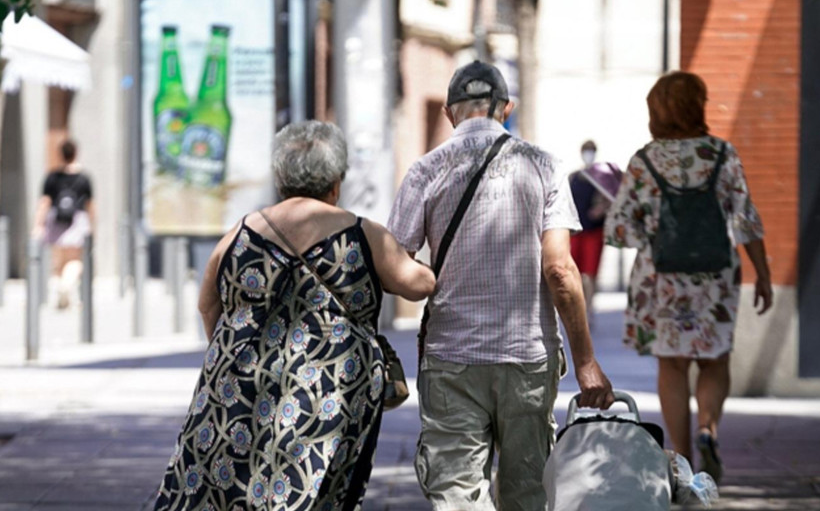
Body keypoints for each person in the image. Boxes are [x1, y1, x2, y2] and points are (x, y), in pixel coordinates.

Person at [153, 121, 435, 510]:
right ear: (336, 182)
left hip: (238, 384)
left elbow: (207, 303)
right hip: (328, 394)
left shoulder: (242, 231)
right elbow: (417, 284)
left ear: (280, 177)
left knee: (225, 486)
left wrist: (232, 355)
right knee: (310, 491)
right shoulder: (361, 233)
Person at [387, 60, 614, 510]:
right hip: (526, 357)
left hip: (451, 356)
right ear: (505, 108)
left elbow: (398, 268)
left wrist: (425, 283)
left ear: (451, 113)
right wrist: (586, 361)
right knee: (526, 493)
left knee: (456, 496)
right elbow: (560, 272)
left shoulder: (424, 171)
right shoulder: (544, 166)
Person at [605, 71, 773, 484]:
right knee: (714, 360)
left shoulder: (645, 162)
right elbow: (746, 219)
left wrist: (650, 230)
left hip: (662, 280)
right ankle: (708, 429)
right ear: (697, 106)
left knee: (673, 366)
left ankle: (681, 460)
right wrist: (764, 274)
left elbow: (617, 230)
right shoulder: (721, 155)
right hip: (715, 277)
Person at [32, 139, 95, 309]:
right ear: (76, 153)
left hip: (56, 220)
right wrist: (92, 226)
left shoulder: (52, 177)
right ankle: (66, 287)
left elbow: (44, 202)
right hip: (77, 219)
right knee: (75, 259)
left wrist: (38, 224)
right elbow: (90, 205)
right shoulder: (83, 179)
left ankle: (62, 293)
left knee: (59, 260)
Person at [568, 140, 622, 323]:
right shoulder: (574, 176)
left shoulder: (602, 177)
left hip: (594, 231)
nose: (588, 154)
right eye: (586, 151)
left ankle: (588, 309)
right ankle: (578, 306)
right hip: (576, 231)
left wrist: (600, 210)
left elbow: (613, 199)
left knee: (590, 274)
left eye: (590, 151)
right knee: (574, 272)